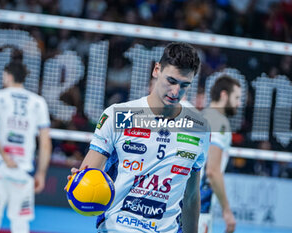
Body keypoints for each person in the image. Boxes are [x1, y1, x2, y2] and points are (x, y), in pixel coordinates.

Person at [68, 42, 211, 233]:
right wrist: (79, 184)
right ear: (156, 70)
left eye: (185, 85)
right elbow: (90, 172)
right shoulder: (118, 115)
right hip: (116, 228)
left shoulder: (199, 127)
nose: (176, 92)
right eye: (171, 81)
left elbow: (192, 195)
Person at [0, 61, 52, 233]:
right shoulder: (38, 102)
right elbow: (46, 142)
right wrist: (41, 173)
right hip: (24, 171)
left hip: (0, 167)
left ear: (8, 75)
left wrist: (4, 155)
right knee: (20, 224)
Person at [199, 75, 241, 233]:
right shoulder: (220, 122)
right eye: (236, 97)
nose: (239, 103)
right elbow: (212, 170)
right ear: (224, 95)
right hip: (201, 205)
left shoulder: (202, 116)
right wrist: (227, 211)